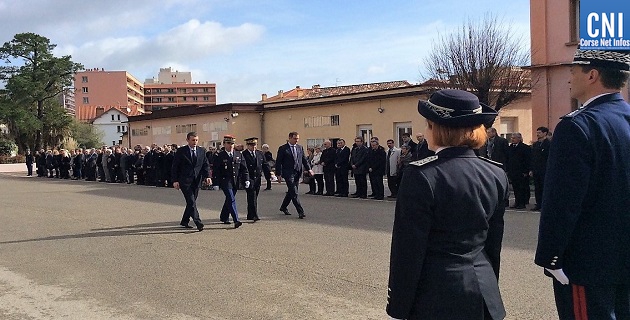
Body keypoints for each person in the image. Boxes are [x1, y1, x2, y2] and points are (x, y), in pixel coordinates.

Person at [387, 89, 508, 320]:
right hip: (484, 290)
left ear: (437, 128)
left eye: (428, 124)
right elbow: (493, 244)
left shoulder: (422, 174)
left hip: (436, 295)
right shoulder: (495, 173)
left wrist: (399, 306)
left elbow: (408, 249)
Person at [535, 49, 630, 320]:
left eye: (573, 70)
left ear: (592, 75)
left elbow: (562, 202)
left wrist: (551, 257)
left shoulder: (578, 126)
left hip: (588, 263)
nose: (569, 77)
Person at [171, 132, 212, 231]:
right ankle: (198, 222)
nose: (195, 142)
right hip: (185, 181)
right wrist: (175, 180)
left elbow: (205, 165)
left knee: (191, 202)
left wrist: (207, 176)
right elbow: (175, 167)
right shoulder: (181, 151)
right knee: (191, 201)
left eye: (196, 140)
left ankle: (184, 221)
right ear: (188, 140)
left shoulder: (201, 151)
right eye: (193, 140)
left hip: (197, 180)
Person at [213, 135, 249, 228]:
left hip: (235, 181)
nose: (231, 145)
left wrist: (246, 179)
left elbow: (244, 169)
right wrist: (216, 183)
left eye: (232, 143)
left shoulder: (238, 154)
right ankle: (236, 220)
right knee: (231, 199)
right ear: (224, 144)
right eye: (228, 143)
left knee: (229, 199)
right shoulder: (220, 155)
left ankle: (224, 217)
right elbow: (216, 170)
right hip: (225, 181)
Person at [275, 131, 312, 219]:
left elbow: (304, 160)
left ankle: (283, 207)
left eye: (298, 139)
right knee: (294, 192)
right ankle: (300, 211)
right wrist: (278, 174)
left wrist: (309, 169)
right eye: (295, 138)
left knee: (291, 191)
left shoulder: (300, 147)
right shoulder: (283, 148)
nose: (296, 140)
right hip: (288, 173)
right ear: (290, 138)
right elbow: (278, 161)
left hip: (297, 172)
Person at [242, 137, 270, 222]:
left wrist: (270, 174)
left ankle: (250, 214)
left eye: (254, 144)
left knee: (254, 197)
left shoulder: (260, 153)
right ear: (247, 145)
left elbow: (265, 165)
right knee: (252, 196)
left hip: (257, 178)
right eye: (251, 145)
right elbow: (243, 167)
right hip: (248, 178)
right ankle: (254, 215)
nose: (253, 146)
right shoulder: (244, 154)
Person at [506, 132, 531, 209]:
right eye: (511, 138)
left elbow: (528, 160)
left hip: (522, 172)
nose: (512, 139)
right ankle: (517, 202)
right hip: (513, 171)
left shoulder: (525, 148)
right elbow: (508, 159)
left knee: (522, 188)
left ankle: (522, 203)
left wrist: (526, 171)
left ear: (519, 139)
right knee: (515, 188)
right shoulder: (510, 148)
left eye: (514, 138)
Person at [529, 126, 550, 211]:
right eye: (537, 132)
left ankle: (545, 205)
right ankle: (538, 204)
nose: (537, 134)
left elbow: (549, 158)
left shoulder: (548, 144)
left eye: (539, 132)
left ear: (545, 133)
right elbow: (533, 158)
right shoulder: (535, 144)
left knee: (544, 188)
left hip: (544, 170)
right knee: (537, 188)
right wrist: (531, 169)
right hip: (536, 170)